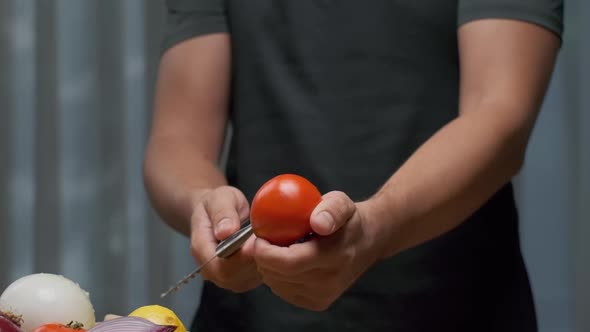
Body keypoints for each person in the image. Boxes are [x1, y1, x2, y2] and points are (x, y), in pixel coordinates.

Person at [143, 0, 563, 330]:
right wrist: (204, 204)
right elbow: (177, 139)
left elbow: (500, 114)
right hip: (250, 316)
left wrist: (377, 226)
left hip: (457, 307)